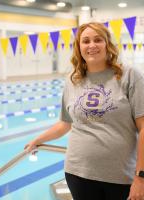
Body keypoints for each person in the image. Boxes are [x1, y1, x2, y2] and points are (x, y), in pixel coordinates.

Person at [24, 22, 144, 200]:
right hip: (77, 172)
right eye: (86, 41)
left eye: (98, 40)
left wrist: (140, 177)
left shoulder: (129, 75)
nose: (92, 45)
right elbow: (65, 124)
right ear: (79, 48)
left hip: (121, 176)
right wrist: (38, 140)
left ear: (107, 44)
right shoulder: (73, 80)